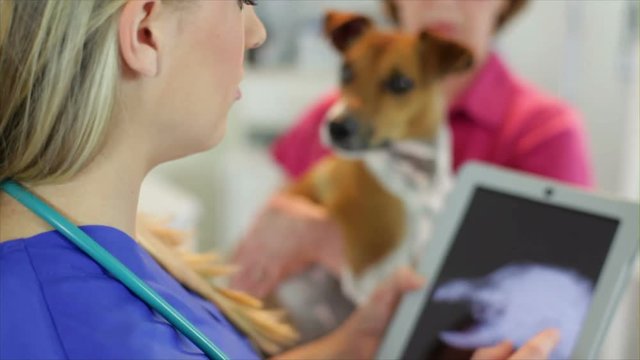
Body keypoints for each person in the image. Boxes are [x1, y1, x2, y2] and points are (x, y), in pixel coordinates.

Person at [0, 0, 560, 359]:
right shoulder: (89, 329)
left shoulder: (118, 258)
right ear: (145, 32)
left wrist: (344, 348)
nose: (258, 31)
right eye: (240, 1)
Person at [231, 0, 594, 300]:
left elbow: (561, 296)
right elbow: (255, 259)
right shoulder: (333, 119)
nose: (442, 3)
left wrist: (336, 243)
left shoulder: (544, 133)